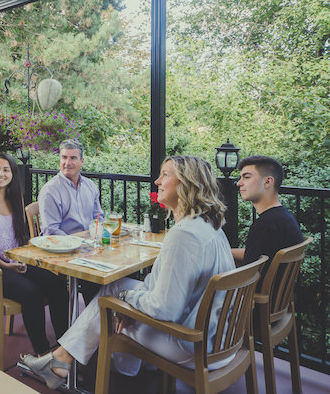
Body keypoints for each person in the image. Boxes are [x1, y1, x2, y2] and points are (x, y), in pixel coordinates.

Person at [21, 155, 235, 390]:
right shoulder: (210, 226)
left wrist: (125, 302)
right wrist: (128, 300)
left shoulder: (184, 236)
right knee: (115, 288)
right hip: (218, 337)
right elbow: (162, 289)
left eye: (165, 174)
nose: (156, 181)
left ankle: (105, 374)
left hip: (191, 343)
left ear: (187, 183)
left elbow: (164, 309)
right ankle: (74, 361)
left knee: (110, 303)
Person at [0, 152, 69, 356]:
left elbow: (20, 241)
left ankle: (64, 347)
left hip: (14, 264)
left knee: (57, 284)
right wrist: (4, 266)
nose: (0, 174)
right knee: (32, 293)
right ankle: (42, 355)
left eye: (6, 170)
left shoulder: (16, 202)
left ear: (13, 174)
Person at [37, 139, 104, 303]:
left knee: (121, 270)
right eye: (64, 157)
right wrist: (80, 244)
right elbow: (50, 231)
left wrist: (97, 240)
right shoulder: (50, 191)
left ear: (82, 161)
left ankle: (104, 322)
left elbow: (98, 218)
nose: (67, 162)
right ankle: (91, 323)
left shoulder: (90, 186)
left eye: (73, 158)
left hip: (89, 248)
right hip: (63, 250)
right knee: (94, 279)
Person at [232, 155, 303, 269]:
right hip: (279, 286)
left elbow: (247, 275)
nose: (239, 183)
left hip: (256, 286)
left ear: (268, 182)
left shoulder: (265, 226)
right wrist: (224, 252)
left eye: (246, 177)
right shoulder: (283, 218)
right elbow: (258, 254)